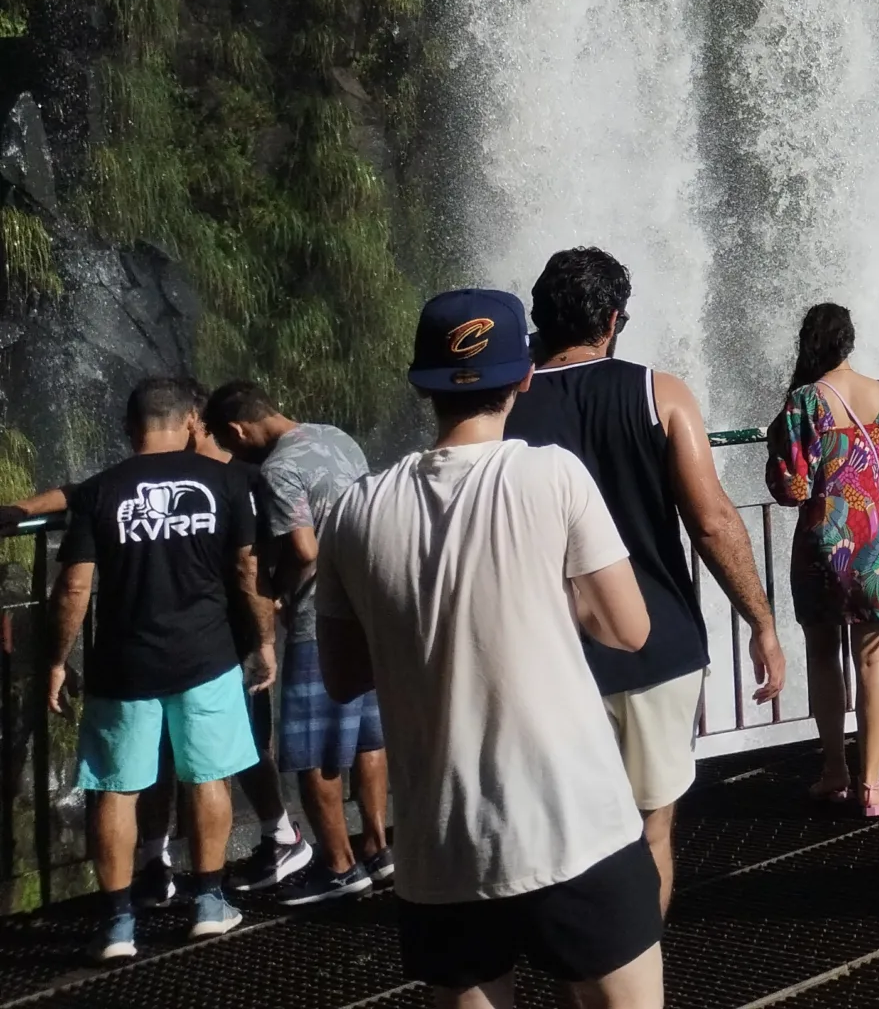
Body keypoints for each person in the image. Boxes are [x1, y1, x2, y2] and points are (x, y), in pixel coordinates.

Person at [319, 289, 662, 1009]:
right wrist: (546, 598)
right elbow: (629, 630)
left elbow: (344, 677)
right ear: (526, 375)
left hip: (441, 853)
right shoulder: (554, 475)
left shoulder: (351, 512)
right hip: (577, 828)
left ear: (421, 385)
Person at [508, 246, 786, 913]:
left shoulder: (505, 406)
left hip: (547, 656)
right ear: (611, 320)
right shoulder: (658, 393)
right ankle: (636, 973)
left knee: (566, 840)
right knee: (650, 829)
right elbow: (714, 522)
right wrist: (763, 623)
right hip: (656, 648)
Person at [48, 377, 272, 959]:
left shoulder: (100, 491)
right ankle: (208, 903)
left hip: (123, 665)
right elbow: (248, 572)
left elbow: (74, 586)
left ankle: (119, 923)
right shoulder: (226, 480)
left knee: (116, 790)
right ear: (192, 421)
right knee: (207, 777)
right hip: (206, 656)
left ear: (130, 427)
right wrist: (263, 641)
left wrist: (56, 659)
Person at [203, 381, 393, 904]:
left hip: (320, 618)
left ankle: (337, 867)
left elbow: (305, 548)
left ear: (238, 431)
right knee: (368, 741)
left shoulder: (277, 470)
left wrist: (279, 590)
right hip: (368, 606)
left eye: (227, 441)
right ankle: (378, 849)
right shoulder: (336, 437)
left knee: (312, 752)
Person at [764, 302, 879, 815]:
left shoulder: (803, 402)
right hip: (877, 532)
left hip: (823, 537)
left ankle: (834, 770)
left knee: (822, 655)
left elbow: (791, 486)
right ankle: (872, 785)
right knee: (872, 661)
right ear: (849, 342)